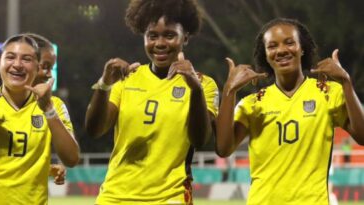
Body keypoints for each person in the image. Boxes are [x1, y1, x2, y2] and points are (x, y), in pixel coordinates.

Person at [216, 17, 364, 204]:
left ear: (302, 48)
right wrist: (229, 92)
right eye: (272, 46)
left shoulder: (327, 93)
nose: (281, 50)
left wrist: (346, 83)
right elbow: (223, 148)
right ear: (266, 55)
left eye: (289, 42)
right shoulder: (253, 103)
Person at [85, 0, 219, 204]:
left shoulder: (204, 84)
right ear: (144, 37)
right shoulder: (127, 79)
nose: (160, 43)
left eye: (170, 35)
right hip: (115, 196)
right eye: (152, 35)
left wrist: (195, 90)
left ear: (186, 38)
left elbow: (200, 139)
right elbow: (95, 129)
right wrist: (104, 84)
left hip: (170, 197)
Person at [0, 34, 80, 204]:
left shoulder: (54, 105)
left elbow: (72, 158)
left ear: (37, 66)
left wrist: (48, 109)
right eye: (10, 57)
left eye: (27, 59)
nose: (17, 64)